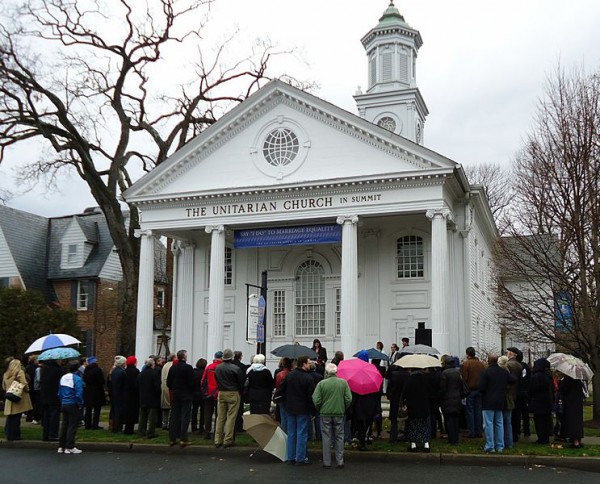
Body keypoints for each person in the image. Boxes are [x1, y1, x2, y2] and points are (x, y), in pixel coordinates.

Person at [312, 363, 352, 468]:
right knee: (339, 436)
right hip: (339, 412)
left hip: (325, 413)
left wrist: (320, 407)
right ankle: (340, 461)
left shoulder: (321, 384)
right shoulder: (343, 383)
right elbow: (349, 399)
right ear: (336, 372)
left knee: (326, 437)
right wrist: (343, 407)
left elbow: (316, 399)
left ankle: (327, 462)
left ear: (326, 372)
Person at [479, 354, 516, 453]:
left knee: (488, 424)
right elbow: (513, 380)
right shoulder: (503, 372)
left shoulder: (486, 372)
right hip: (500, 401)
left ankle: (490, 446)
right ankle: (500, 446)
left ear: (488, 361)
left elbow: (481, 388)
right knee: (499, 424)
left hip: (488, 401)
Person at [282, 355, 315, 465]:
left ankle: (291, 456)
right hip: (303, 408)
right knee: (302, 433)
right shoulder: (308, 378)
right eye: (309, 362)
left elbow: (282, 390)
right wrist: (313, 411)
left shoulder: (289, 375)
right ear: (304, 364)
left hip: (290, 407)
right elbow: (311, 397)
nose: (310, 364)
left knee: (291, 433)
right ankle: (300, 457)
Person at [214, 348, 245, 448]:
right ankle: (228, 439)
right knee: (231, 417)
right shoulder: (236, 368)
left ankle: (217, 440)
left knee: (220, 417)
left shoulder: (218, 368)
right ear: (231, 357)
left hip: (222, 392)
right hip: (233, 392)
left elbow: (216, 379)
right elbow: (241, 383)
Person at [167, 349, 195, 447]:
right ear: (184, 357)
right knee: (185, 416)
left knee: (174, 416)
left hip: (176, 393)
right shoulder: (188, 368)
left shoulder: (173, 368)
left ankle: (172, 438)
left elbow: (168, 382)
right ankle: (183, 438)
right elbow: (192, 382)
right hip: (186, 394)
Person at [57, 360, 84, 454]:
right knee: (72, 425)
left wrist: (62, 401)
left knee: (64, 425)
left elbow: (59, 392)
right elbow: (79, 393)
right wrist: (80, 404)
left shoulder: (63, 377)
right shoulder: (77, 379)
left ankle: (61, 446)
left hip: (64, 403)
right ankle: (70, 446)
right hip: (73, 403)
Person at [2, 358, 33, 441]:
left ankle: (9, 434)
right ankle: (15, 435)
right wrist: (27, 389)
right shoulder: (20, 372)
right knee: (17, 418)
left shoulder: (6, 374)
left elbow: (4, 386)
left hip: (9, 397)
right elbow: (24, 384)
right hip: (18, 397)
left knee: (10, 417)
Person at [402, 367, 431, 452]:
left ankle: (413, 444)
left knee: (413, 425)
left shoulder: (409, 379)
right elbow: (429, 391)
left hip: (413, 406)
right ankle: (426, 444)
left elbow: (405, 393)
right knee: (424, 425)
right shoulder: (425, 379)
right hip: (423, 405)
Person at [460, 346, 485, 438]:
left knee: (470, 411)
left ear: (467, 354)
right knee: (478, 411)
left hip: (470, 391)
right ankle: (479, 431)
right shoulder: (481, 364)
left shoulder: (466, 364)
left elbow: (464, 379)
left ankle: (472, 431)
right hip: (479, 390)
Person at [528, 358, 553, 444]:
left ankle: (542, 438)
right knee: (545, 420)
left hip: (538, 401)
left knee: (539, 422)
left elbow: (531, 389)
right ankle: (546, 437)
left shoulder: (536, 376)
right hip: (547, 401)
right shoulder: (548, 375)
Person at [439, 355, 463, 445]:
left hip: (447, 399)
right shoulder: (457, 372)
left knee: (449, 420)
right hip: (457, 398)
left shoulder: (445, 373)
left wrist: (441, 396)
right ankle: (455, 438)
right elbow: (461, 385)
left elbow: (443, 388)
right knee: (456, 419)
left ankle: (451, 439)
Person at [558, 372, 586, 448]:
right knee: (578, 422)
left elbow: (562, 389)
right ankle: (579, 440)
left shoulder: (568, 379)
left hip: (570, 403)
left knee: (572, 422)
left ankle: (575, 442)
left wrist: (560, 380)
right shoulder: (578, 379)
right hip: (577, 403)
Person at [40, 359, 63, 441]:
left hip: (45, 396)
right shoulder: (58, 370)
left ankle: (45, 435)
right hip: (54, 396)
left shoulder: (44, 370)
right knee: (54, 416)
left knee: (46, 416)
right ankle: (53, 434)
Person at [137, 357, 161, 439]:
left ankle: (141, 431)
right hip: (152, 398)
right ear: (152, 364)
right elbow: (157, 387)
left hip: (143, 397)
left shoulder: (141, 374)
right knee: (152, 417)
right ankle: (151, 432)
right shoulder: (155, 373)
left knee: (142, 416)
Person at [202, 351, 223, 439]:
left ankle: (207, 432)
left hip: (208, 394)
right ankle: (216, 433)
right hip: (218, 394)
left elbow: (203, 381)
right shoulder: (222, 367)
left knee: (208, 414)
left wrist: (204, 392)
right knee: (219, 415)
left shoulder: (209, 367)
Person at [386, 363, 409, 443]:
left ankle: (393, 437)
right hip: (405, 399)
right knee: (406, 417)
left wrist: (389, 395)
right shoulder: (408, 375)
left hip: (395, 398)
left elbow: (390, 386)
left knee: (394, 419)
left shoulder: (394, 374)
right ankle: (406, 435)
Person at [83, 356, 105, 430]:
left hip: (88, 391)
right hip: (97, 391)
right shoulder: (97, 370)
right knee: (97, 409)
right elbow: (101, 380)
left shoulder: (86, 370)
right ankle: (95, 425)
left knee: (88, 409)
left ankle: (87, 425)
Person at [506, 347, 522, 445]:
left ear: (511, 354)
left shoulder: (509, 365)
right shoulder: (519, 365)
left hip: (510, 393)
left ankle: (511, 436)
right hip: (517, 392)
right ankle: (516, 434)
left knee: (510, 416)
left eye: (507, 353)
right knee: (516, 415)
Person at [109, 355, 127, 433]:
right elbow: (125, 384)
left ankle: (114, 427)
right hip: (120, 394)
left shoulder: (114, 371)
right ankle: (118, 428)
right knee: (119, 412)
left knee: (115, 411)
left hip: (114, 393)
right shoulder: (122, 372)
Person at [123, 355, 140, 434]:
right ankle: (131, 429)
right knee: (133, 412)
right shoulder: (136, 371)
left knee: (127, 411)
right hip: (134, 394)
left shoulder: (124, 371)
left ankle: (127, 428)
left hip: (126, 394)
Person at [274, 357, 292, 430]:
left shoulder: (279, 374)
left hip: (281, 396)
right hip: (289, 397)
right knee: (289, 416)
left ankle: (284, 431)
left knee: (283, 416)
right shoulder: (291, 374)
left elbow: (277, 385)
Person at [191, 358, 207, 433]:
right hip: (202, 393)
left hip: (194, 393)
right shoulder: (204, 373)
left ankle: (193, 427)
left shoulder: (193, 372)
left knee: (194, 410)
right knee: (203, 411)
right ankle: (201, 427)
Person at [160, 353, 176, 430]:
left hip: (164, 386)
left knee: (165, 407)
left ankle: (164, 423)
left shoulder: (165, 365)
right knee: (171, 406)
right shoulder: (172, 365)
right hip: (170, 388)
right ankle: (170, 423)